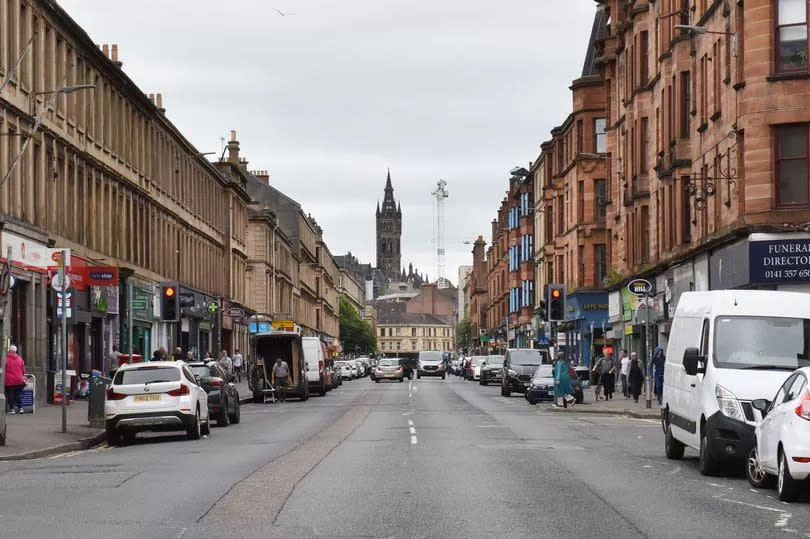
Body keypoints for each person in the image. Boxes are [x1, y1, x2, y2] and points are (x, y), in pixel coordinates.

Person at [4, 345, 25, 414]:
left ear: (9, 351)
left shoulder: (6, 359)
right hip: (19, 379)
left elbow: (4, 370)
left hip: (9, 380)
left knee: (10, 395)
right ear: (15, 351)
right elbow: (23, 370)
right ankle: (21, 408)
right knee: (18, 394)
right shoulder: (20, 359)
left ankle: (12, 409)